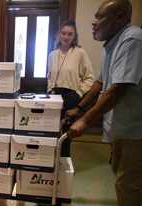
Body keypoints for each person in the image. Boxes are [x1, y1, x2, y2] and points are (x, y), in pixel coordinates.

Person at [67, 0, 142, 206]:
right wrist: (80, 108)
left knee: (129, 184)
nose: (93, 23)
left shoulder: (132, 41)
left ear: (119, 17)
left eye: (100, 17)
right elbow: (100, 83)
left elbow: (118, 88)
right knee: (130, 178)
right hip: (125, 128)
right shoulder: (113, 43)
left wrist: (85, 120)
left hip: (140, 129)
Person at [47, 20, 94, 156]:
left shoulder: (80, 53)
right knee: (52, 130)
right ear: (58, 35)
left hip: (71, 97)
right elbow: (49, 77)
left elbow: (90, 77)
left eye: (70, 34)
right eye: (63, 33)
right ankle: (50, 161)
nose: (66, 37)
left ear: (74, 36)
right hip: (54, 96)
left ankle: (64, 162)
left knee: (66, 134)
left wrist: (79, 93)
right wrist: (49, 90)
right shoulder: (52, 54)